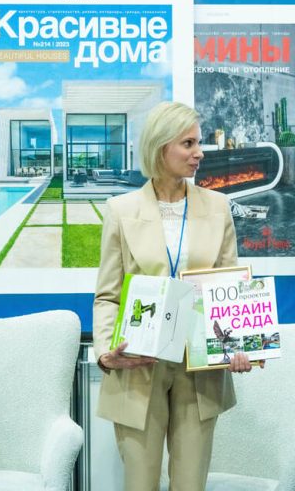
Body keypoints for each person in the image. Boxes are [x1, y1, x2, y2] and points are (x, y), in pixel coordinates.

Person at [93, 101, 253, 491]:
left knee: (190, 484)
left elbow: (229, 290)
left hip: (199, 365)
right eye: (188, 143)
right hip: (138, 363)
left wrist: (239, 345)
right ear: (161, 146)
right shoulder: (120, 210)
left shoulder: (218, 207)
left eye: (198, 142)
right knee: (140, 483)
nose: (200, 153)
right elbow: (107, 296)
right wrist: (105, 351)